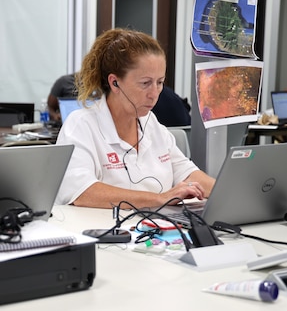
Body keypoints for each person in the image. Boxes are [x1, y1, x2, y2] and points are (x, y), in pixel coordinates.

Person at [55, 28, 215, 209]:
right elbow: (83, 193)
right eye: (145, 83)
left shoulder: (151, 123)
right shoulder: (81, 125)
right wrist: (161, 199)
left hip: (153, 229)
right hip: (103, 233)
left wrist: (227, 193)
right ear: (114, 82)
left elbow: (186, 172)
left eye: (160, 82)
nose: (154, 94)